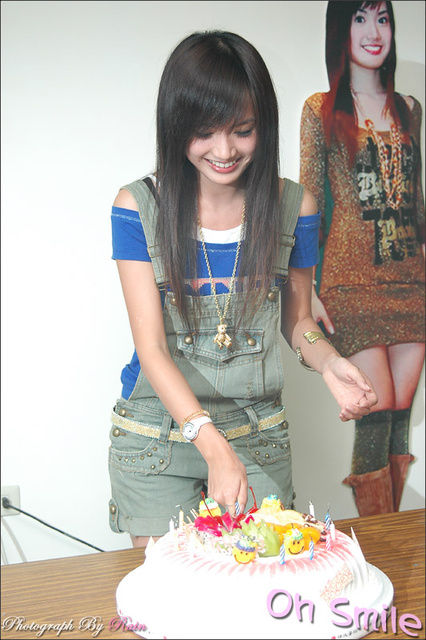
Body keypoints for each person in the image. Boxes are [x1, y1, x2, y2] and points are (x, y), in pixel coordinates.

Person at [109, 30, 377, 547]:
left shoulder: (293, 206)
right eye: (204, 132)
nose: (225, 151)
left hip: (257, 435)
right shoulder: (138, 208)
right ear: (175, 126)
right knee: (172, 588)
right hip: (157, 441)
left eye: (243, 130)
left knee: (265, 578)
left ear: (264, 126)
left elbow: (298, 319)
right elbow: (152, 348)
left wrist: (329, 362)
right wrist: (214, 448)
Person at [299, 1, 425, 516]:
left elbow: (415, 201)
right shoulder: (320, 110)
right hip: (349, 285)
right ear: (341, 29)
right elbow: (308, 202)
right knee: (374, 409)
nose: (374, 31)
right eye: (360, 18)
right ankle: (379, 547)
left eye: (383, 18)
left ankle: (389, 546)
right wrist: (305, 290)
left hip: (411, 285)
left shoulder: (410, 108)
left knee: (397, 416)